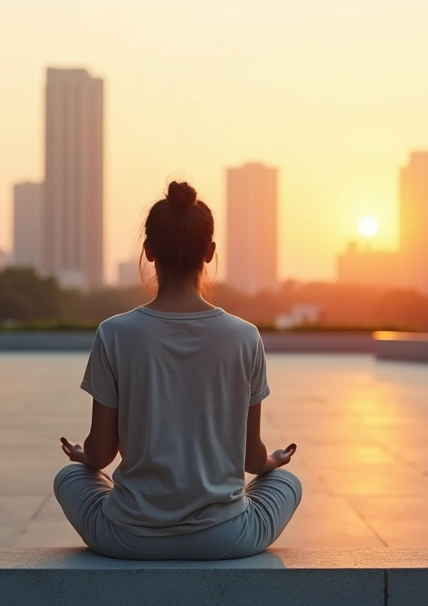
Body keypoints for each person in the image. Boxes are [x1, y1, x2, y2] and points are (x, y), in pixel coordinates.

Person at [54, 181, 301, 560]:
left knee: (69, 478)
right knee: (286, 481)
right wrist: (273, 462)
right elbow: (252, 460)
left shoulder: (115, 333)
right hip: (225, 538)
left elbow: (101, 453)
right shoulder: (244, 337)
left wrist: (82, 456)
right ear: (210, 252)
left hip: (129, 538)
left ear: (149, 252)